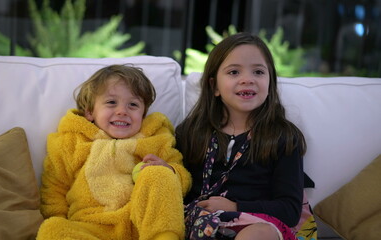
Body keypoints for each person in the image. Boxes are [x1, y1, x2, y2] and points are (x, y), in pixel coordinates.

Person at [175, 32, 317, 240]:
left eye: (258, 72)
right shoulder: (191, 132)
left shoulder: (282, 137)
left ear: (270, 83)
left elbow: (289, 210)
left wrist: (236, 206)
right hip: (201, 225)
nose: (247, 80)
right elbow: (179, 186)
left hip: (256, 224)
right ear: (214, 86)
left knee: (259, 234)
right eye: (234, 72)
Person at [37, 65, 192, 240]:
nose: (122, 111)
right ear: (89, 112)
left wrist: (170, 171)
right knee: (52, 228)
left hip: (141, 226)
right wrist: (58, 216)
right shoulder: (71, 142)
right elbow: (54, 188)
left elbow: (183, 179)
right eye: (111, 102)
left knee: (159, 172)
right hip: (91, 226)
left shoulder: (155, 137)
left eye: (133, 105)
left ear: (143, 114)